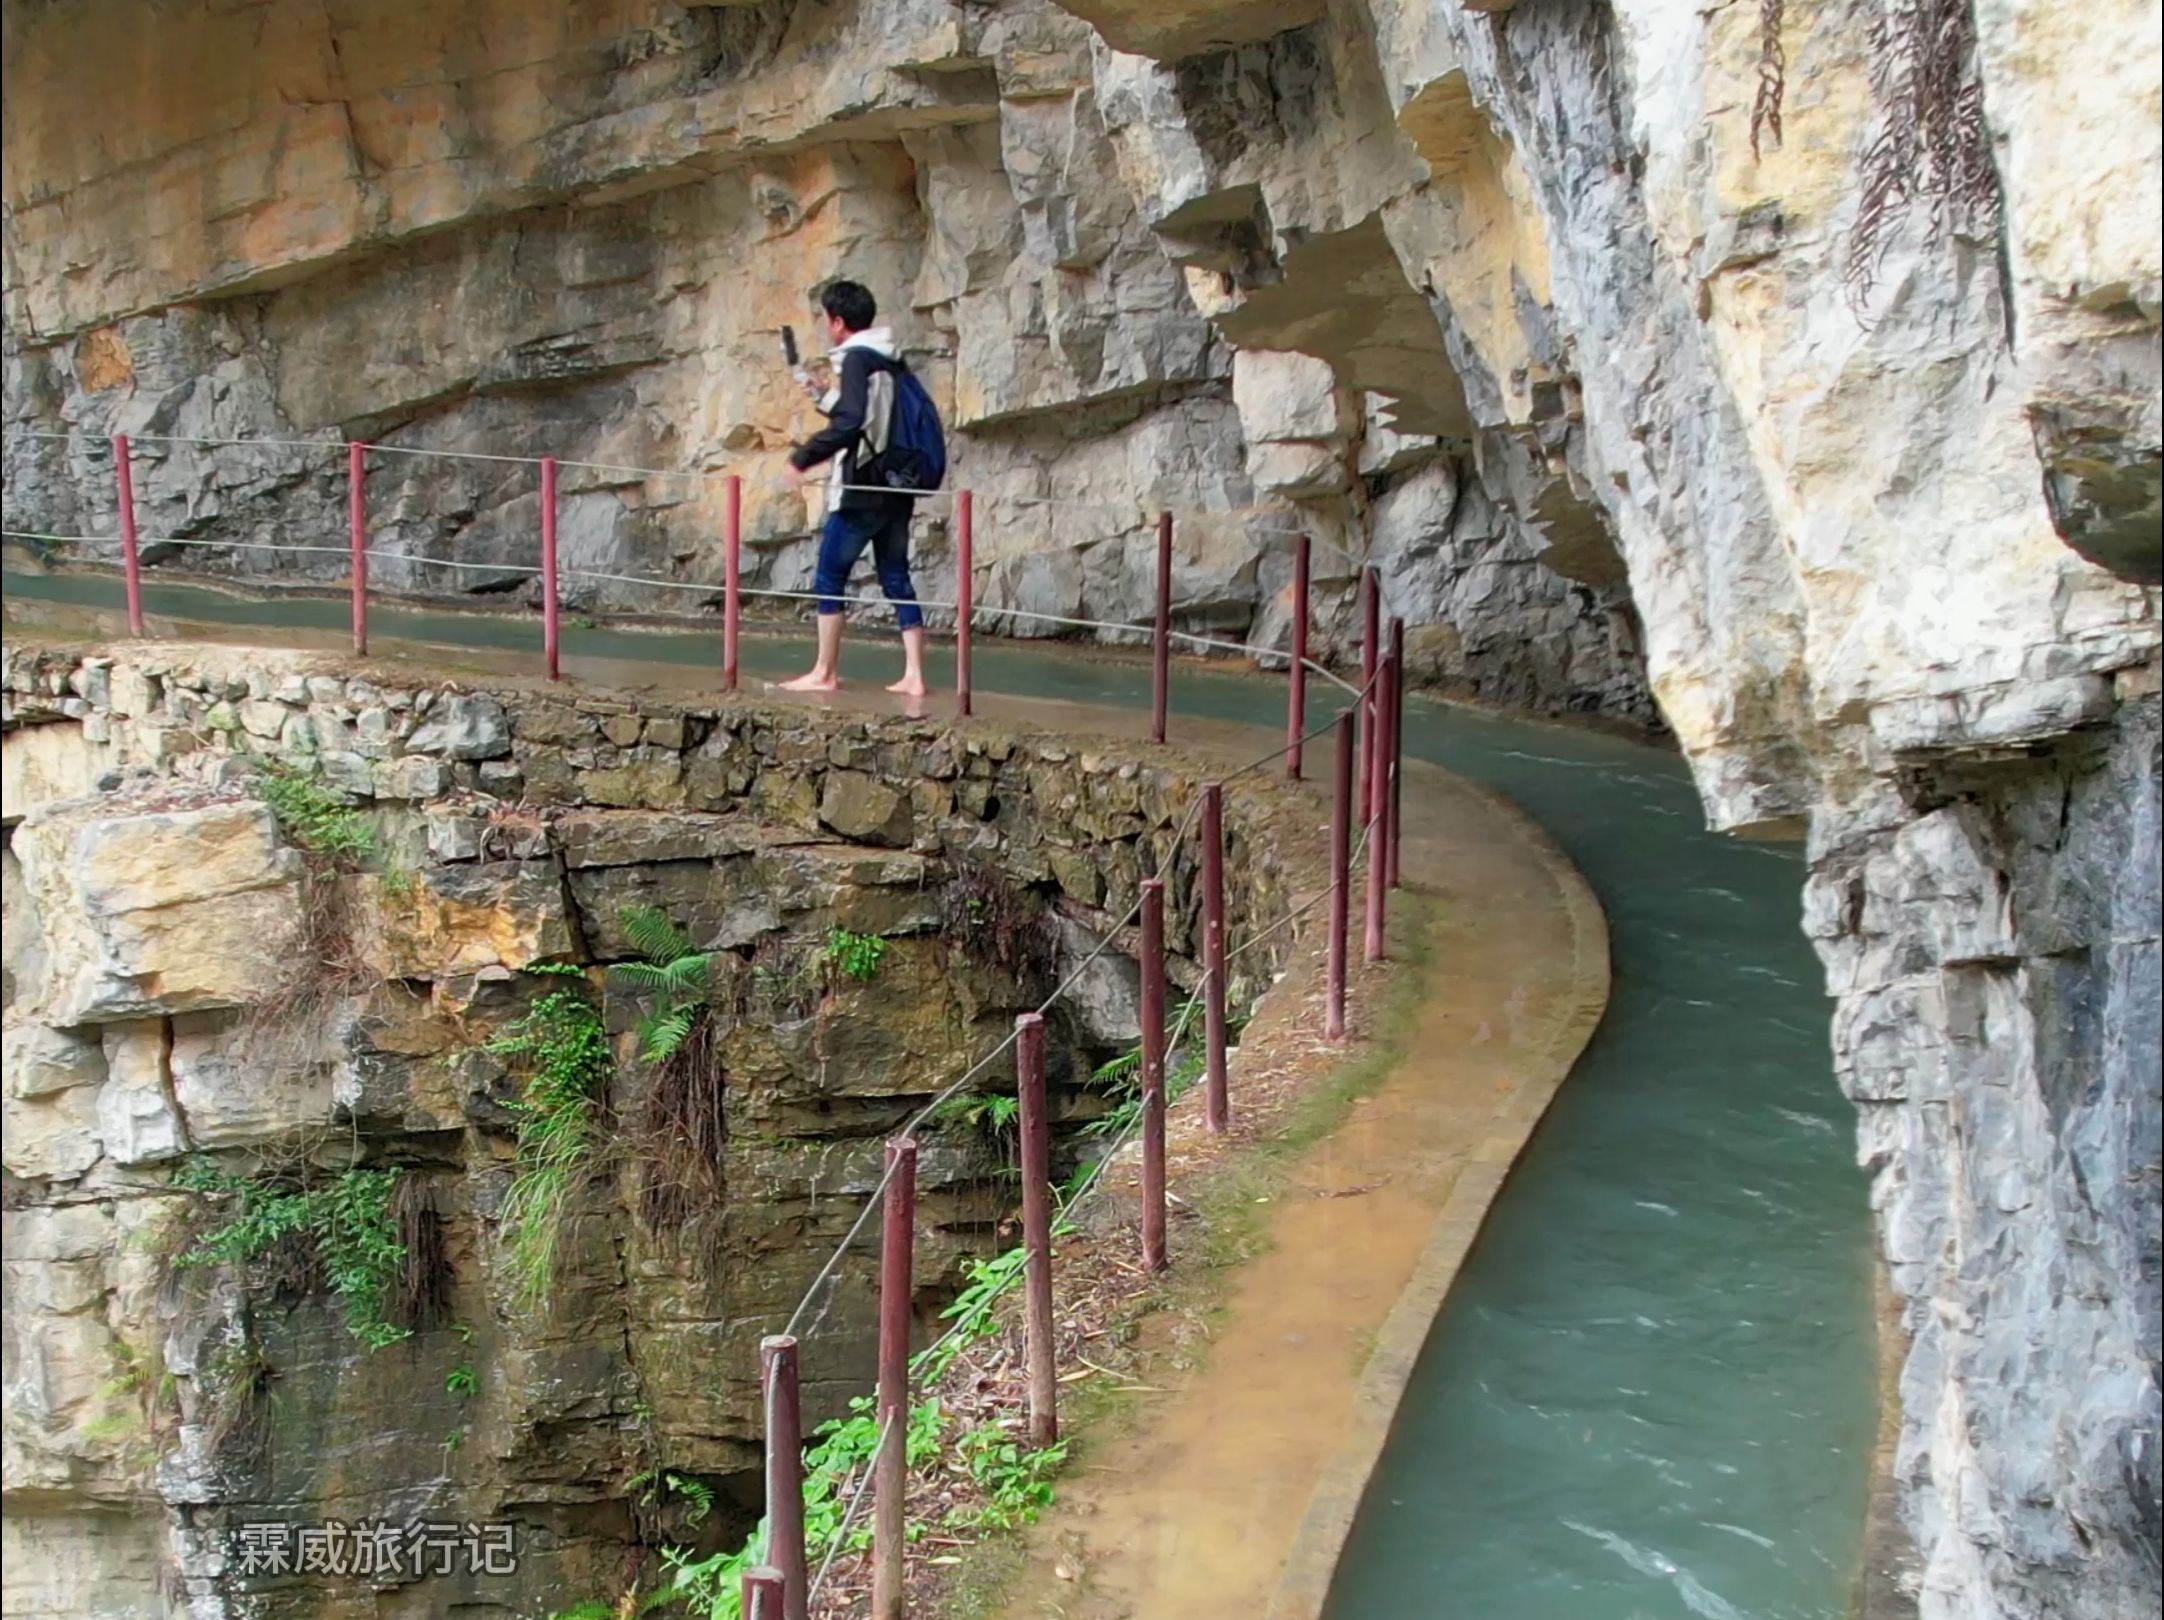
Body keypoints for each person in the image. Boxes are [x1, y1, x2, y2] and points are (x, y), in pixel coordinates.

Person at [778, 281, 927, 696]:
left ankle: (824, 672)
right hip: (896, 485)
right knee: (896, 575)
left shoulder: (857, 360)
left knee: (829, 575)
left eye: (827, 319)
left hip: (861, 487)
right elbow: (869, 417)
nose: (826, 327)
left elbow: (850, 425)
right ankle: (915, 675)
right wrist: (820, 393)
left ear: (838, 322)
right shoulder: (890, 359)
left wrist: (802, 459)